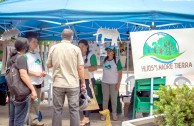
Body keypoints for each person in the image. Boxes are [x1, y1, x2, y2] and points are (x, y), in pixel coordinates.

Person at [46, 29, 85, 126]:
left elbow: (48, 65)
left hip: (58, 83)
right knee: (74, 110)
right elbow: (80, 68)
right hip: (73, 84)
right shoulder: (76, 49)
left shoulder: (53, 48)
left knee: (57, 110)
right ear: (71, 37)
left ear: (61, 36)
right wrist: (83, 82)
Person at [7, 37, 37, 126]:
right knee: (19, 120)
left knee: (12, 119)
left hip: (12, 92)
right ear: (25, 47)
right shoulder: (22, 58)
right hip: (21, 94)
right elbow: (23, 75)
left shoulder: (11, 58)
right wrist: (33, 90)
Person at [25, 33, 46, 126]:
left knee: (36, 102)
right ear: (28, 42)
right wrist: (36, 73)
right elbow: (24, 70)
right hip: (30, 83)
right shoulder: (25, 55)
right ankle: (30, 122)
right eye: (34, 42)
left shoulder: (37, 54)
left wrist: (43, 72)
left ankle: (35, 120)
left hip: (39, 83)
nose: (36, 44)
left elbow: (40, 66)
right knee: (30, 103)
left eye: (36, 42)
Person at [78, 39, 97, 126]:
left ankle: (86, 117)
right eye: (79, 46)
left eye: (82, 46)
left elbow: (94, 67)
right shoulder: (77, 55)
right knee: (82, 99)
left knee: (88, 98)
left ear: (87, 46)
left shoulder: (91, 55)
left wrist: (84, 69)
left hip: (89, 80)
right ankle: (85, 118)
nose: (81, 48)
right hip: (79, 79)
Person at [101, 46, 122, 121]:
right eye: (107, 50)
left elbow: (120, 73)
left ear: (113, 52)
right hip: (104, 82)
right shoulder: (104, 60)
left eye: (110, 50)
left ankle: (114, 114)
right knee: (105, 99)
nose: (108, 52)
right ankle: (104, 114)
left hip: (114, 83)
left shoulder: (117, 61)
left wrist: (118, 83)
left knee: (114, 100)